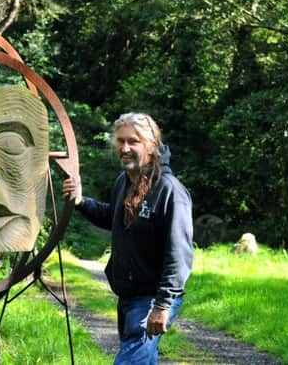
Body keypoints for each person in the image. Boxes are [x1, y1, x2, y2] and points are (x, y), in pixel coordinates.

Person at [62, 112, 193, 364]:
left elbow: (179, 254)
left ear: (151, 145)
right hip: (128, 296)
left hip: (153, 298)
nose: (125, 148)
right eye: (120, 141)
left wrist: (162, 305)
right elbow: (114, 217)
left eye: (133, 141)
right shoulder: (124, 181)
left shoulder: (169, 190)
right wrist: (81, 201)